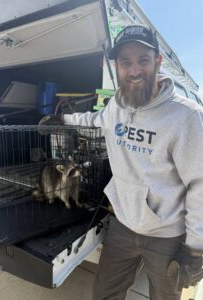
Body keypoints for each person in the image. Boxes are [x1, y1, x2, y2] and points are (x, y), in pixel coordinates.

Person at [39, 24, 203, 300]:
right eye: (126, 62)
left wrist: (195, 248)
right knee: (105, 294)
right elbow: (94, 121)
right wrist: (63, 120)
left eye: (143, 60)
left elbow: (200, 184)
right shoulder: (117, 106)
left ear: (158, 62)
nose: (134, 70)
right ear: (117, 67)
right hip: (123, 226)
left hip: (167, 237)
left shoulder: (187, 117)